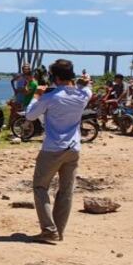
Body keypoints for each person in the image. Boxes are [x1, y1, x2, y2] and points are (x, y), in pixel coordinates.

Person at [24, 59, 91, 242]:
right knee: (66, 191)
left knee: (40, 187)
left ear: (56, 77)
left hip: (53, 148)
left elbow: (30, 115)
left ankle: (48, 230)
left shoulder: (51, 97)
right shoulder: (83, 95)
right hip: (73, 148)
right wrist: (83, 81)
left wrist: (37, 95)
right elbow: (86, 86)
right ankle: (58, 232)